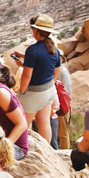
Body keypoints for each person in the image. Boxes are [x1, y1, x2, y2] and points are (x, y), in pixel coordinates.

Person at [13, 14, 61, 144]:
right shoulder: (54, 50)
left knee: (22, 124)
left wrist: (22, 92)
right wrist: (51, 82)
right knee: (44, 122)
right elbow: (56, 69)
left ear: (36, 31)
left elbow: (27, 75)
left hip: (34, 93)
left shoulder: (32, 50)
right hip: (49, 90)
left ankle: (20, 151)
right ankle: (46, 151)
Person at [56, 62, 72, 149]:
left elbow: (65, 92)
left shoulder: (62, 71)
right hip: (59, 104)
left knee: (63, 133)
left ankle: (65, 153)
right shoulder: (59, 70)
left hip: (62, 105)